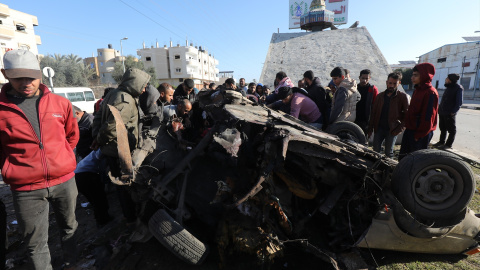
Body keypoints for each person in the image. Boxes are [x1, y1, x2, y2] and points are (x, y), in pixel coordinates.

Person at [0, 49, 79, 269]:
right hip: (26, 190)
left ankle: (72, 264)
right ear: (5, 74)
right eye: (18, 77)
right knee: (35, 244)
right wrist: (12, 168)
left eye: (31, 77)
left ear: (40, 75)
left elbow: (71, 136)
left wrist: (61, 159)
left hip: (65, 182)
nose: (26, 82)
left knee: (70, 229)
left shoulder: (60, 104)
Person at [92, 68, 150, 223]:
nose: (144, 89)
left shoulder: (113, 94)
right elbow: (113, 127)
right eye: (143, 86)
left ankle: (129, 213)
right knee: (125, 186)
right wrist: (99, 139)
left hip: (112, 149)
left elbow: (98, 117)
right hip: (119, 150)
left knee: (120, 186)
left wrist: (96, 137)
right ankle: (130, 217)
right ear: (134, 83)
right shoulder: (125, 99)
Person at [72, 105, 112, 227]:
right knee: (99, 199)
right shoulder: (103, 149)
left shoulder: (89, 121)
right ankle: (103, 222)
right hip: (85, 176)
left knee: (97, 199)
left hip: (81, 174)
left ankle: (103, 219)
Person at [399, 63, 439, 160]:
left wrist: (419, 135)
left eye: (415, 75)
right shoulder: (417, 90)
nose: (412, 78)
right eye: (412, 75)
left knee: (416, 161)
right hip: (411, 130)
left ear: (425, 75)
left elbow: (428, 117)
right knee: (403, 158)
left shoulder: (430, 92)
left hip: (420, 133)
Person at [368, 72, 409, 158]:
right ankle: (376, 170)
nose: (392, 86)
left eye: (395, 83)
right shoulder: (380, 96)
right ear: (387, 82)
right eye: (390, 83)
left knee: (388, 153)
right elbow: (373, 113)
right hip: (379, 129)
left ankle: (388, 171)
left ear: (399, 83)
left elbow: (407, 116)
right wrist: (370, 128)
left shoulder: (402, 97)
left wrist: (399, 129)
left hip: (392, 130)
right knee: (376, 151)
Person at [433, 74, 463, 149]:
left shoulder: (458, 88)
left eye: (447, 78)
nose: (445, 79)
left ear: (450, 80)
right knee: (442, 128)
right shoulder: (449, 87)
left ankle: (448, 145)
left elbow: (459, 102)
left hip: (449, 113)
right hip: (442, 111)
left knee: (451, 130)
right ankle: (441, 142)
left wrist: (453, 111)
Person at [355, 69, 379, 134]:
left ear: (369, 78)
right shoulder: (354, 88)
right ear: (359, 77)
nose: (364, 80)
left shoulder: (373, 89)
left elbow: (376, 106)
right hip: (354, 118)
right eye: (362, 78)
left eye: (366, 78)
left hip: (366, 120)